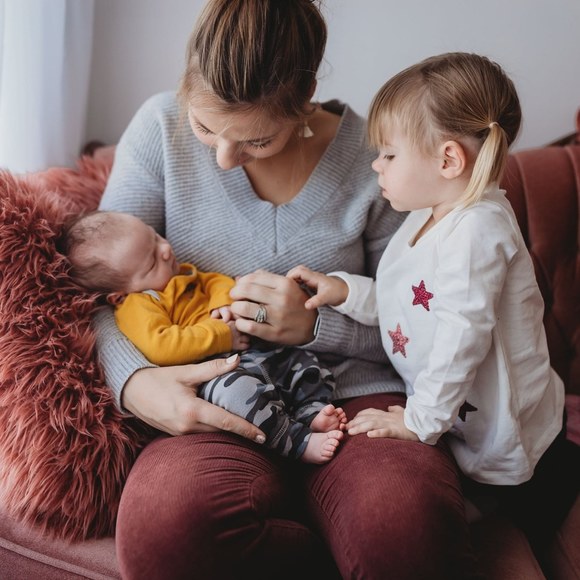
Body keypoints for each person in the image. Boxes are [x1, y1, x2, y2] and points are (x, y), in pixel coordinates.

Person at [94, 2, 478, 578]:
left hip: (354, 396)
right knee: (165, 535)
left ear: (305, 99)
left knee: (403, 531)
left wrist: (318, 325)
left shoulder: (380, 161)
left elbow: (424, 323)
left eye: (256, 140)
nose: (224, 158)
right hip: (219, 390)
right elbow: (96, 293)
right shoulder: (158, 128)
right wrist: (134, 381)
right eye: (205, 128)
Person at [288, 52, 573, 556]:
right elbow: (412, 301)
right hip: (462, 413)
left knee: (525, 486)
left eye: (388, 155)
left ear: (447, 161)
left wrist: (417, 422)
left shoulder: (477, 231)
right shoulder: (430, 213)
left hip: (501, 417)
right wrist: (347, 291)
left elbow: (461, 337)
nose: (376, 165)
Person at [63, 210, 345, 464]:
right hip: (213, 374)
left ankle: (312, 413)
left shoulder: (182, 273)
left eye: (155, 236)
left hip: (258, 353)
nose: (165, 250)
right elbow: (162, 347)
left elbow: (217, 282)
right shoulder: (137, 305)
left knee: (303, 364)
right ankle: (296, 440)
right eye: (151, 262)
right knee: (238, 395)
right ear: (119, 295)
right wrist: (222, 335)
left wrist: (223, 303)